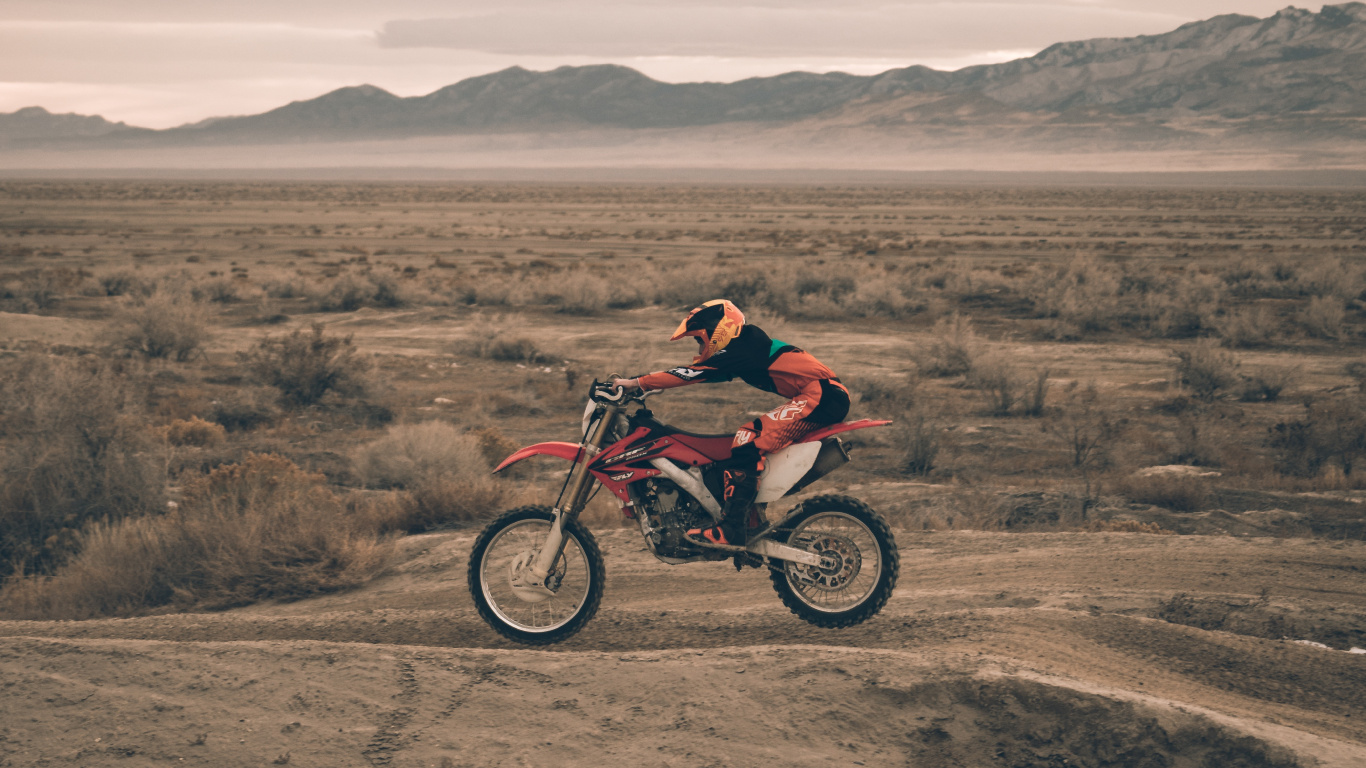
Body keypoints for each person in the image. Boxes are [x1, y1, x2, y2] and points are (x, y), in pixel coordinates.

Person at [612, 299, 850, 549]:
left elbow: (692, 374)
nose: (700, 345)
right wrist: (646, 388)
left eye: (700, 339)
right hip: (821, 395)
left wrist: (636, 383)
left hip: (823, 396)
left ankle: (732, 528)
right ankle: (749, 517)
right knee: (747, 438)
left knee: (748, 438)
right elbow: (703, 374)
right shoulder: (746, 347)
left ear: (718, 329)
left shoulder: (744, 347)